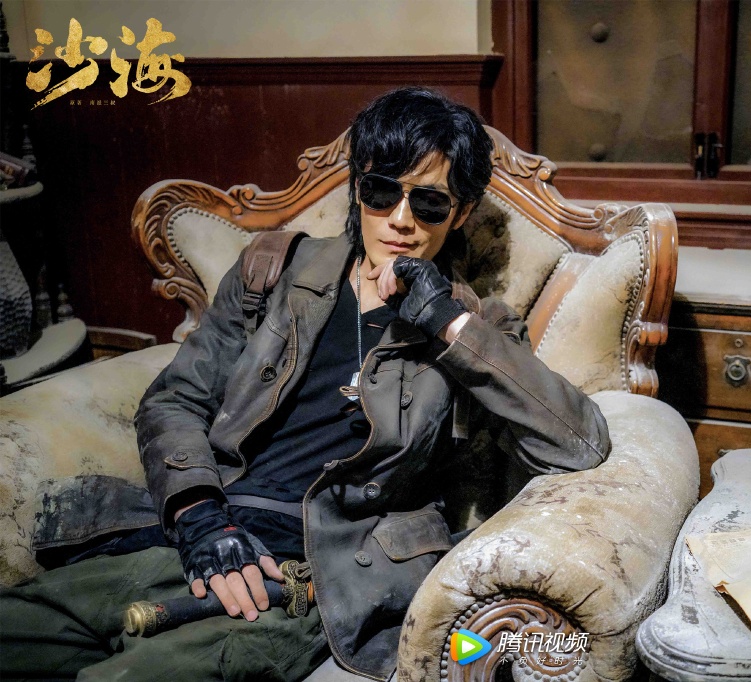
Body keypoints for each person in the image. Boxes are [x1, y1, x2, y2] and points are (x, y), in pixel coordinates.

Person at [0, 87, 610, 681]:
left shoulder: (479, 327)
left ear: (462, 213)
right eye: (381, 192)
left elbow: (578, 443)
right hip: (194, 536)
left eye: (429, 204)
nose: (401, 221)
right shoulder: (272, 269)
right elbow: (174, 399)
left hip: (308, 572)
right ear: (357, 189)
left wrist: (445, 322)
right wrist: (199, 515)